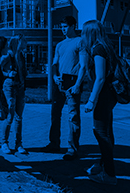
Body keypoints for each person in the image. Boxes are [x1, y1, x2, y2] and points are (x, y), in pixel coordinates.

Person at [41, 16, 87, 161]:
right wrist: (54, 77)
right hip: (59, 82)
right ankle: (54, 143)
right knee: (55, 114)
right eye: (61, 26)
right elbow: (54, 64)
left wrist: (78, 84)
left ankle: (72, 149)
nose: (63, 29)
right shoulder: (60, 45)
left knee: (73, 116)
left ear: (73, 26)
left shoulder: (80, 42)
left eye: (65, 26)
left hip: (72, 82)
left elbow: (83, 66)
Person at [82, 20, 118, 185]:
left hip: (102, 97)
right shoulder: (107, 46)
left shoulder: (98, 49)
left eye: (84, 32)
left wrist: (91, 101)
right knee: (107, 133)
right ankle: (104, 165)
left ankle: (109, 175)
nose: (83, 35)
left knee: (101, 133)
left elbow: (100, 77)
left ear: (90, 33)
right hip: (109, 96)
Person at [0, 33, 28, 154]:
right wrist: (7, 74)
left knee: (19, 117)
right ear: (18, 42)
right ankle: (4, 142)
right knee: (10, 115)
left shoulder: (21, 55)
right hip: (9, 87)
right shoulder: (7, 55)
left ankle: (19, 144)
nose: (26, 43)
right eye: (24, 41)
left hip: (20, 87)